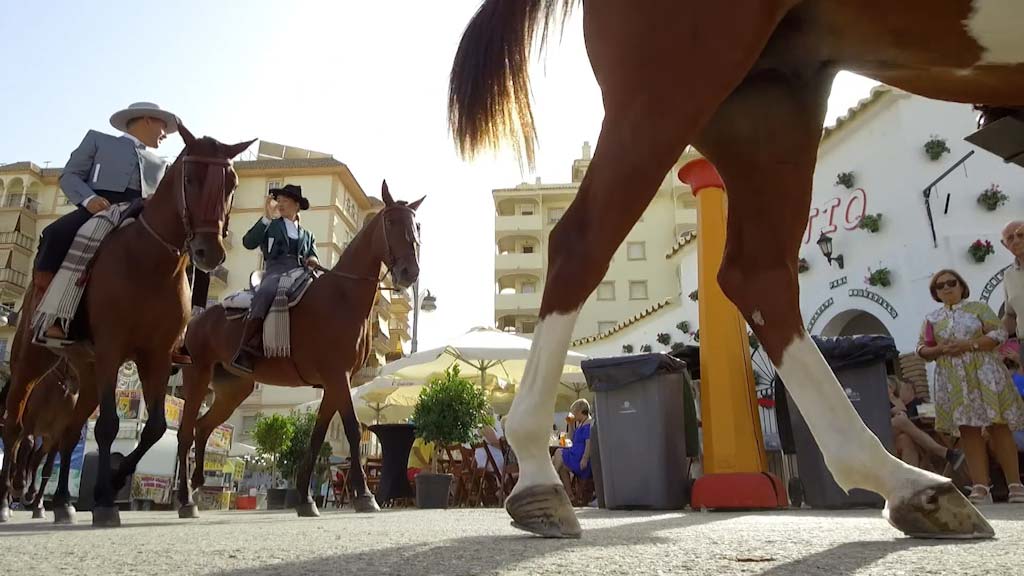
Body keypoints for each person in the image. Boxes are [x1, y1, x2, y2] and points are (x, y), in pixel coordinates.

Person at [34, 103, 187, 357]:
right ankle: (50, 314)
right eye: (163, 127)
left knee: (183, 253)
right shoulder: (98, 140)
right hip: (99, 205)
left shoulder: (161, 164)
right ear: (148, 120)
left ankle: (177, 333)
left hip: (141, 214)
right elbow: (70, 175)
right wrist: (88, 199)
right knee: (54, 234)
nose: (165, 134)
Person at [917, 269, 1024, 504]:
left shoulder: (979, 309)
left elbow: (999, 333)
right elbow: (922, 349)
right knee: (968, 429)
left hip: (984, 373)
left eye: (951, 282)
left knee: (998, 426)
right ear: (935, 293)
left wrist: (969, 345)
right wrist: (940, 350)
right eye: (940, 286)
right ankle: (980, 486)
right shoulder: (932, 318)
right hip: (953, 378)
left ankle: (1015, 485)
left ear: (961, 285)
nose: (946, 287)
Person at [230, 184, 319, 373]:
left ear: (296, 205)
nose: (279, 204)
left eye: (284, 201)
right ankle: (246, 346)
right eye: (278, 201)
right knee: (268, 290)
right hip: (275, 271)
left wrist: (312, 260)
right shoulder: (270, 225)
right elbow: (248, 243)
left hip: (301, 272)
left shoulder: (308, 234)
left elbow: (313, 255)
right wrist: (266, 217)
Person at [887, 375, 965, 472]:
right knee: (901, 421)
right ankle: (945, 452)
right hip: (875, 430)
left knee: (906, 439)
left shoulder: (890, 399)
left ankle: (913, 483)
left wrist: (892, 398)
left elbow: (901, 412)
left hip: (892, 433)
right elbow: (902, 414)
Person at [552, 399, 593, 491]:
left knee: (558, 452)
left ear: (579, 411)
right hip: (575, 456)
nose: (572, 414)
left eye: (573, 411)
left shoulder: (588, 423)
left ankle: (551, 482)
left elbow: (589, 442)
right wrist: (570, 425)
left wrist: (585, 458)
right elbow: (570, 439)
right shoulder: (580, 423)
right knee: (561, 466)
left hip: (580, 460)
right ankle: (570, 495)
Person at [1001, 220, 1024, 367]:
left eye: (1021, 234)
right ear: (1005, 245)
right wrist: (989, 338)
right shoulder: (1009, 275)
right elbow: (1010, 315)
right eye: (1010, 238)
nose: (1016, 240)